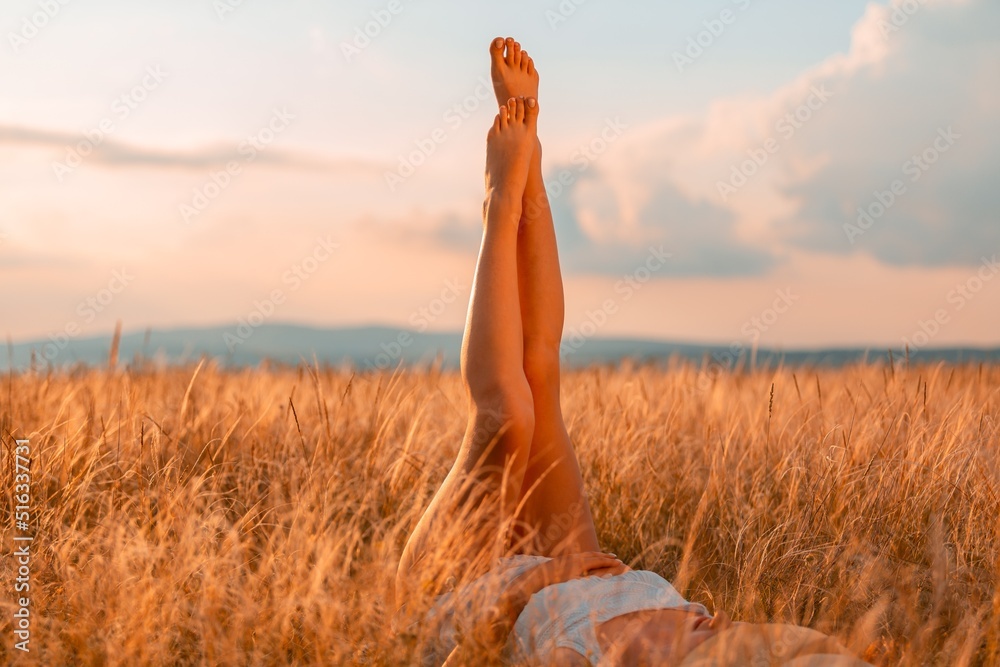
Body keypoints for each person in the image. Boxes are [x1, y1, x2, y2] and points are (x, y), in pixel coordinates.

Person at [394, 37, 871, 667]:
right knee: (540, 374)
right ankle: (530, 164)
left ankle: (499, 200)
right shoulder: (790, 654)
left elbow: (467, 655)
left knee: (508, 413)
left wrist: (525, 588)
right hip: (604, 582)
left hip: (461, 598)